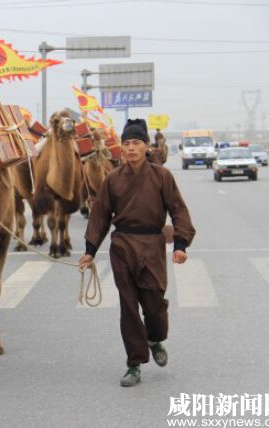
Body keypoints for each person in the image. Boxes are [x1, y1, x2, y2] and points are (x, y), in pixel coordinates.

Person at [78, 118, 196, 387]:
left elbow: (178, 210)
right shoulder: (112, 180)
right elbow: (100, 216)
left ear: (145, 147)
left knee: (154, 306)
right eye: (126, 143)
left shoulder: (161, 176)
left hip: (153, 245)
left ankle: (155, 338)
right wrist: (90, 250)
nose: (131, 148)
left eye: (136, 143)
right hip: (123, 247)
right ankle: (134, 363)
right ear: (121, 148)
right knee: (128, 307)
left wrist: (180, 245)